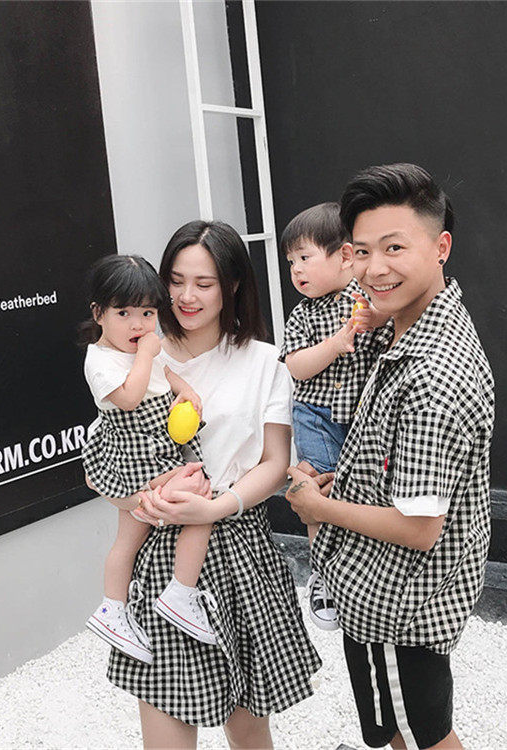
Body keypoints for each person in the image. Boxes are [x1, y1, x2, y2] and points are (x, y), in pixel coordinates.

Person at [286, 164, 494, 750]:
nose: (375, 268)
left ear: (441, 247)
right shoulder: (407, 329)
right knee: (404, 728)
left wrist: (317, 509)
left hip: (398, 604)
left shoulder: (431, 375)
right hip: (391, 593)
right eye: (362, 251)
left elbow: (419, 527)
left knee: (423, 736)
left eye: (395, 248)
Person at [96, 221, 321, 749]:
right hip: (161, 552)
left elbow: (274, 462)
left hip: (241, 548)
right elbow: (101, 455)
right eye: (175, 281)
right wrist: (139, 498)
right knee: (167, 724)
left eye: (204, 283)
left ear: (232, 285)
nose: (186, 296)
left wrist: (217, 508)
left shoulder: (265, 361)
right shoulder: (137, 356)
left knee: (248, 729)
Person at [81, 254, 219, 664]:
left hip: (159, 449)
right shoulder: (100, 360)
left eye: (147, 313)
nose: (138, 324)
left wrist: (184, 389)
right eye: (123, 313)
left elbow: (164, 376)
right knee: (199, 501)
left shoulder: (145, 350)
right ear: (99, 314)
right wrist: (146, 355)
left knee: (131, 536)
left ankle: (116, 607)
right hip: (136, 456)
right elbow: (128, 398)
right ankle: (177, 593)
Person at [278, 202, 387, 630]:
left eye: (305, 258)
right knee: (314, 485)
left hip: (363, 419)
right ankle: (322, 572)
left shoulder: (369, 300)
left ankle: (364, 571)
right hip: (317, 416)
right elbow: (295, 366)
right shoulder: (303, 314)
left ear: (343, 256)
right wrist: (335, 344)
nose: (296, 270)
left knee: (363, 495)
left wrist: (375, 320)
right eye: (291, 262)